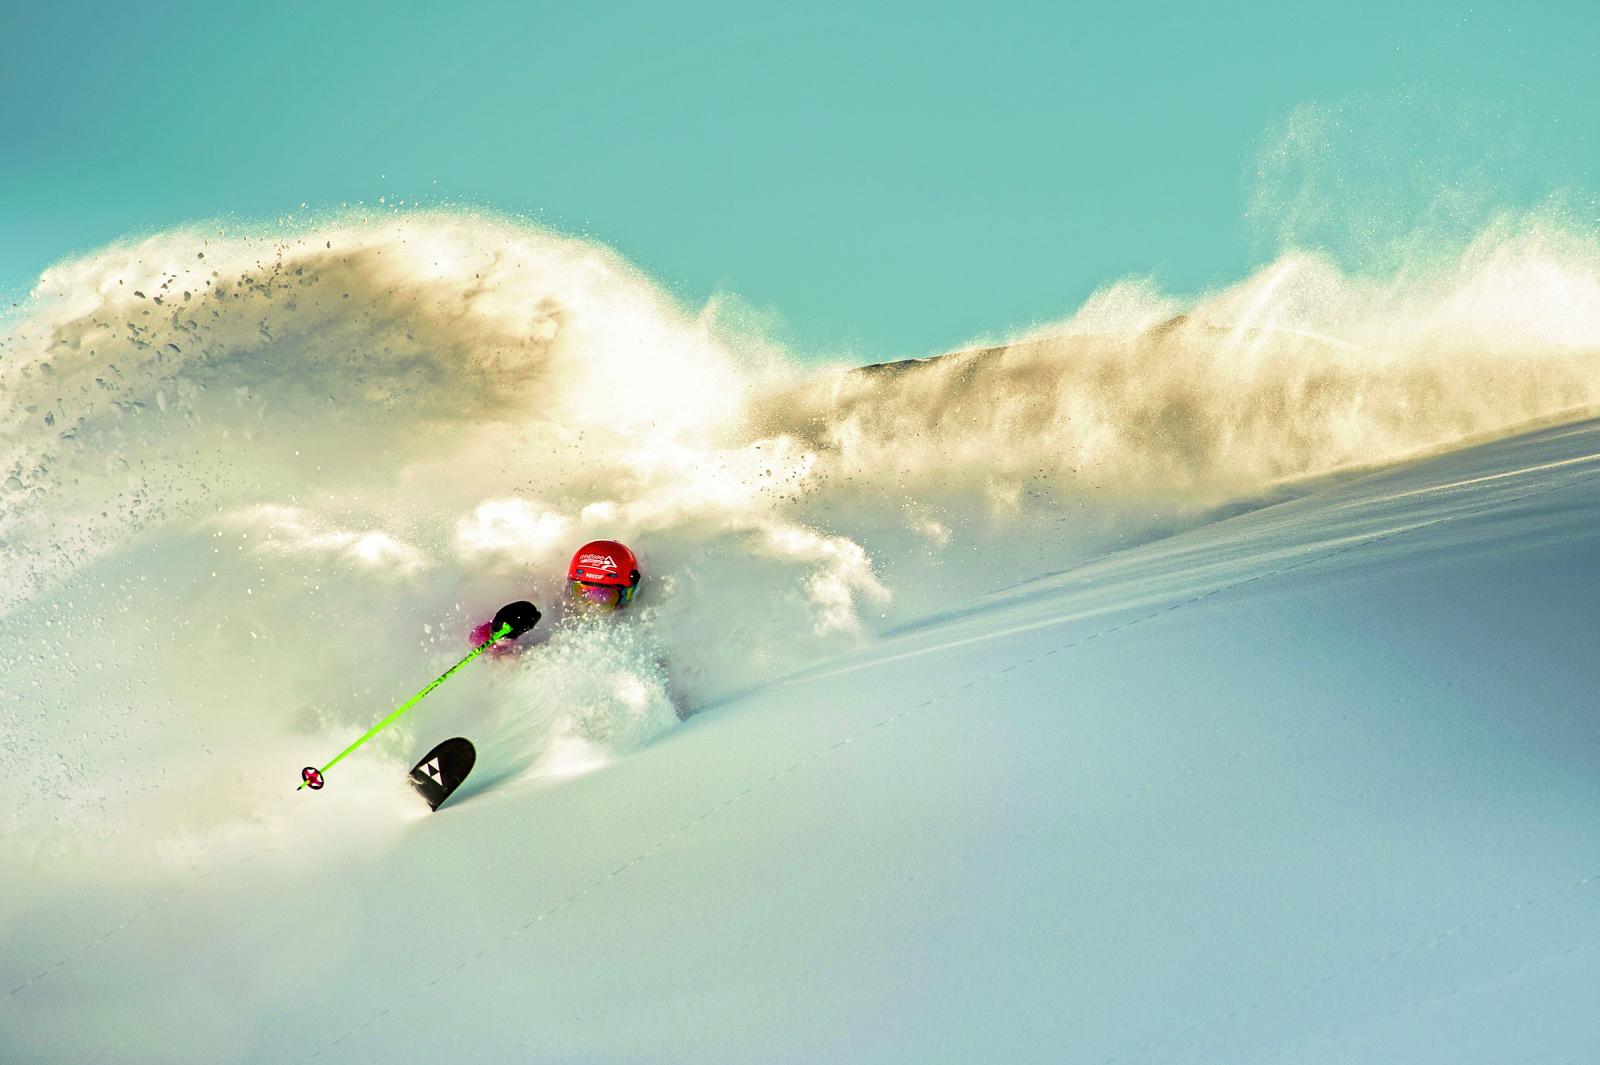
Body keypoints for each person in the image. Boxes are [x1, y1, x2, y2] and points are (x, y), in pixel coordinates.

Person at [469, 538, 642, 654]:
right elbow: (475, 641)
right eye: (580, 593)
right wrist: (500, 634)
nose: (589, 606)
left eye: (602, 596)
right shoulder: (552, 611)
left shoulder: (641, 625)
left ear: (628, 593)